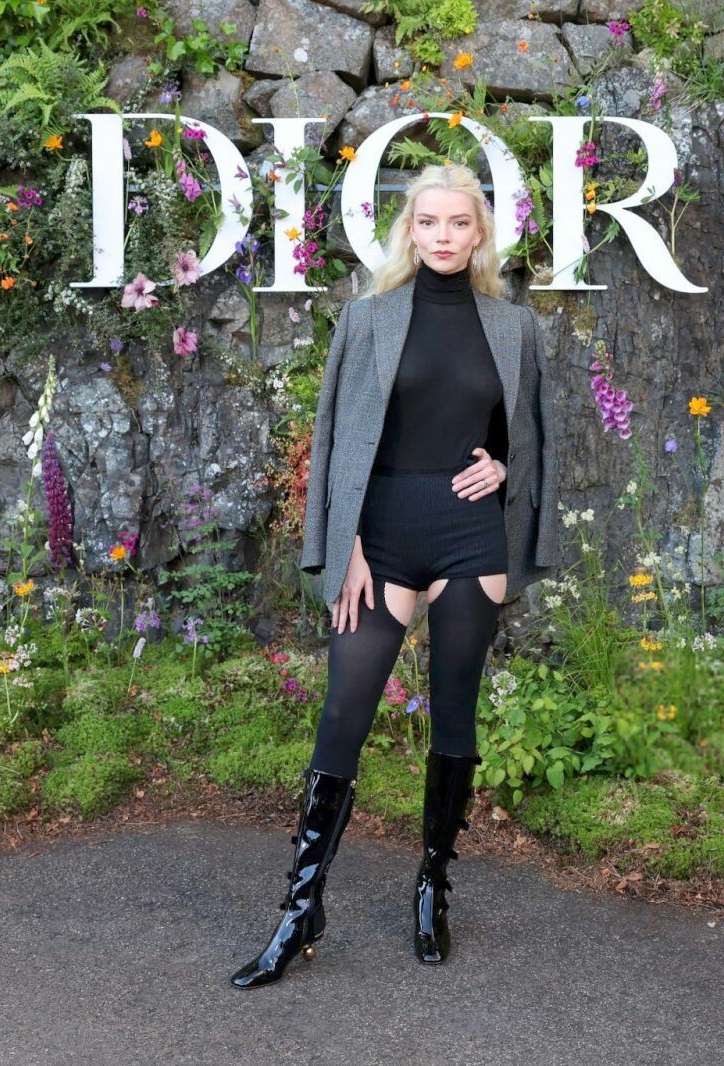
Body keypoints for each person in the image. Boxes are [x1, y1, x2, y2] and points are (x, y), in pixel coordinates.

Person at [231, 162, 561, 988]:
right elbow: (334, 441)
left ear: (480, 233)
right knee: (343, 712)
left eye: (459, 222)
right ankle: (301, 908)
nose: (444, 235)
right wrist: (342, 544)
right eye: (428, 222)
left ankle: (432, 887)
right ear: (410, 231)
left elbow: (531, 440)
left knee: (454, 713)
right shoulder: (367, 319)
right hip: (379, 538)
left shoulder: (514, 327)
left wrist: (502, 470)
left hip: (470, 539)